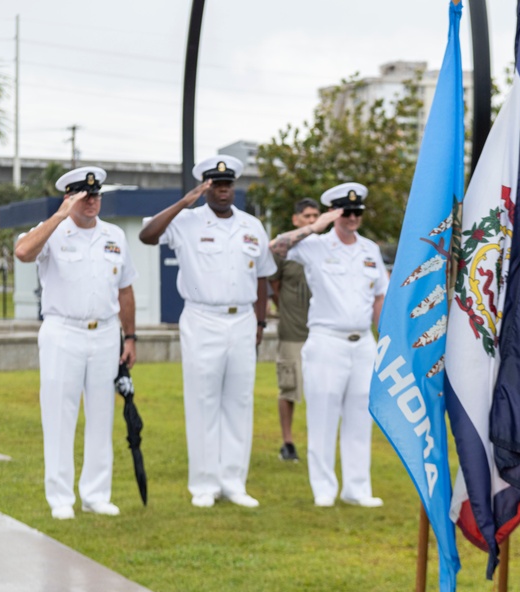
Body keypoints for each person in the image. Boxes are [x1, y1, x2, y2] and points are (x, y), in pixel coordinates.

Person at [139, 155, 274, 509]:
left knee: (239, 401)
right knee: (203, 401)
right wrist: (184, 202)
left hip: (243, 319)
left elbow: (262, 277)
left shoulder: (252, 226)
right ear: (205, 187)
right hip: (203, 318)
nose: (223, 190)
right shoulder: (186, 221)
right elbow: (147, 235)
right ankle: (203, 484)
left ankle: (233, 482)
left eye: (228, 184)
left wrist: (260, 323)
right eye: (216, 184)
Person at [14, 166, 137, 520]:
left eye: (96, 195)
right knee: (59, 415)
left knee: (102, 414)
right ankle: (60, 497)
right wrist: (59, 216)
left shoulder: (114, 236)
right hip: (62, 331)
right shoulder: (52, 231)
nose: (93, 201)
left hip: (104, 333)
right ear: (70, 197)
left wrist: (130, 337)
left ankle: (96, 494)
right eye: (85, 196)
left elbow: (125, 289)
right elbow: (22, 252)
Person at [270, 183, 387, 508]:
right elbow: (274, 249)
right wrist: (316, 225)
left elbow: (379, 295)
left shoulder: (369, 250)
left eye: (357, 212)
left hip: (362, 341)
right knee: (323, 415)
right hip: (326, 341)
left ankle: (357, 487)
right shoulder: (316, 245)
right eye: (345, 212)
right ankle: (323, 487)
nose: (352, 218)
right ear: (334, 214)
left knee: (360, 416)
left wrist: (384, 338)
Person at [269, 198, 319, 462]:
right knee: (288, 388)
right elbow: (274, 287)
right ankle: (288, 443)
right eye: (307, 216)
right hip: (293, 332)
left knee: (322, 390)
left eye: (316, 216)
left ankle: (317, 443)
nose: (312, 221)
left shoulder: (326, 248)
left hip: (321, 334)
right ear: (296, 219)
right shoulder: (285, 251)